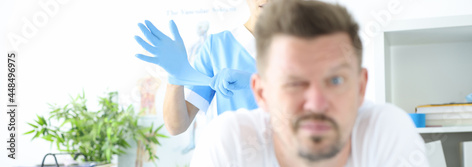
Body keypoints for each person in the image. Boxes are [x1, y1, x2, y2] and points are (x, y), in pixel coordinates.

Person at [190, 0, 429, 166]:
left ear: (360, 87)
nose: (316, 103)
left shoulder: (386, 133)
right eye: (294, 82)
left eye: (335, 80)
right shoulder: (228, 145)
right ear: (262, 93)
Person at [134, 0, 269, 138]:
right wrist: (176, 78)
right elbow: (177, 125)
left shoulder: (291, 44)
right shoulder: (217, 46)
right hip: (234, 155)